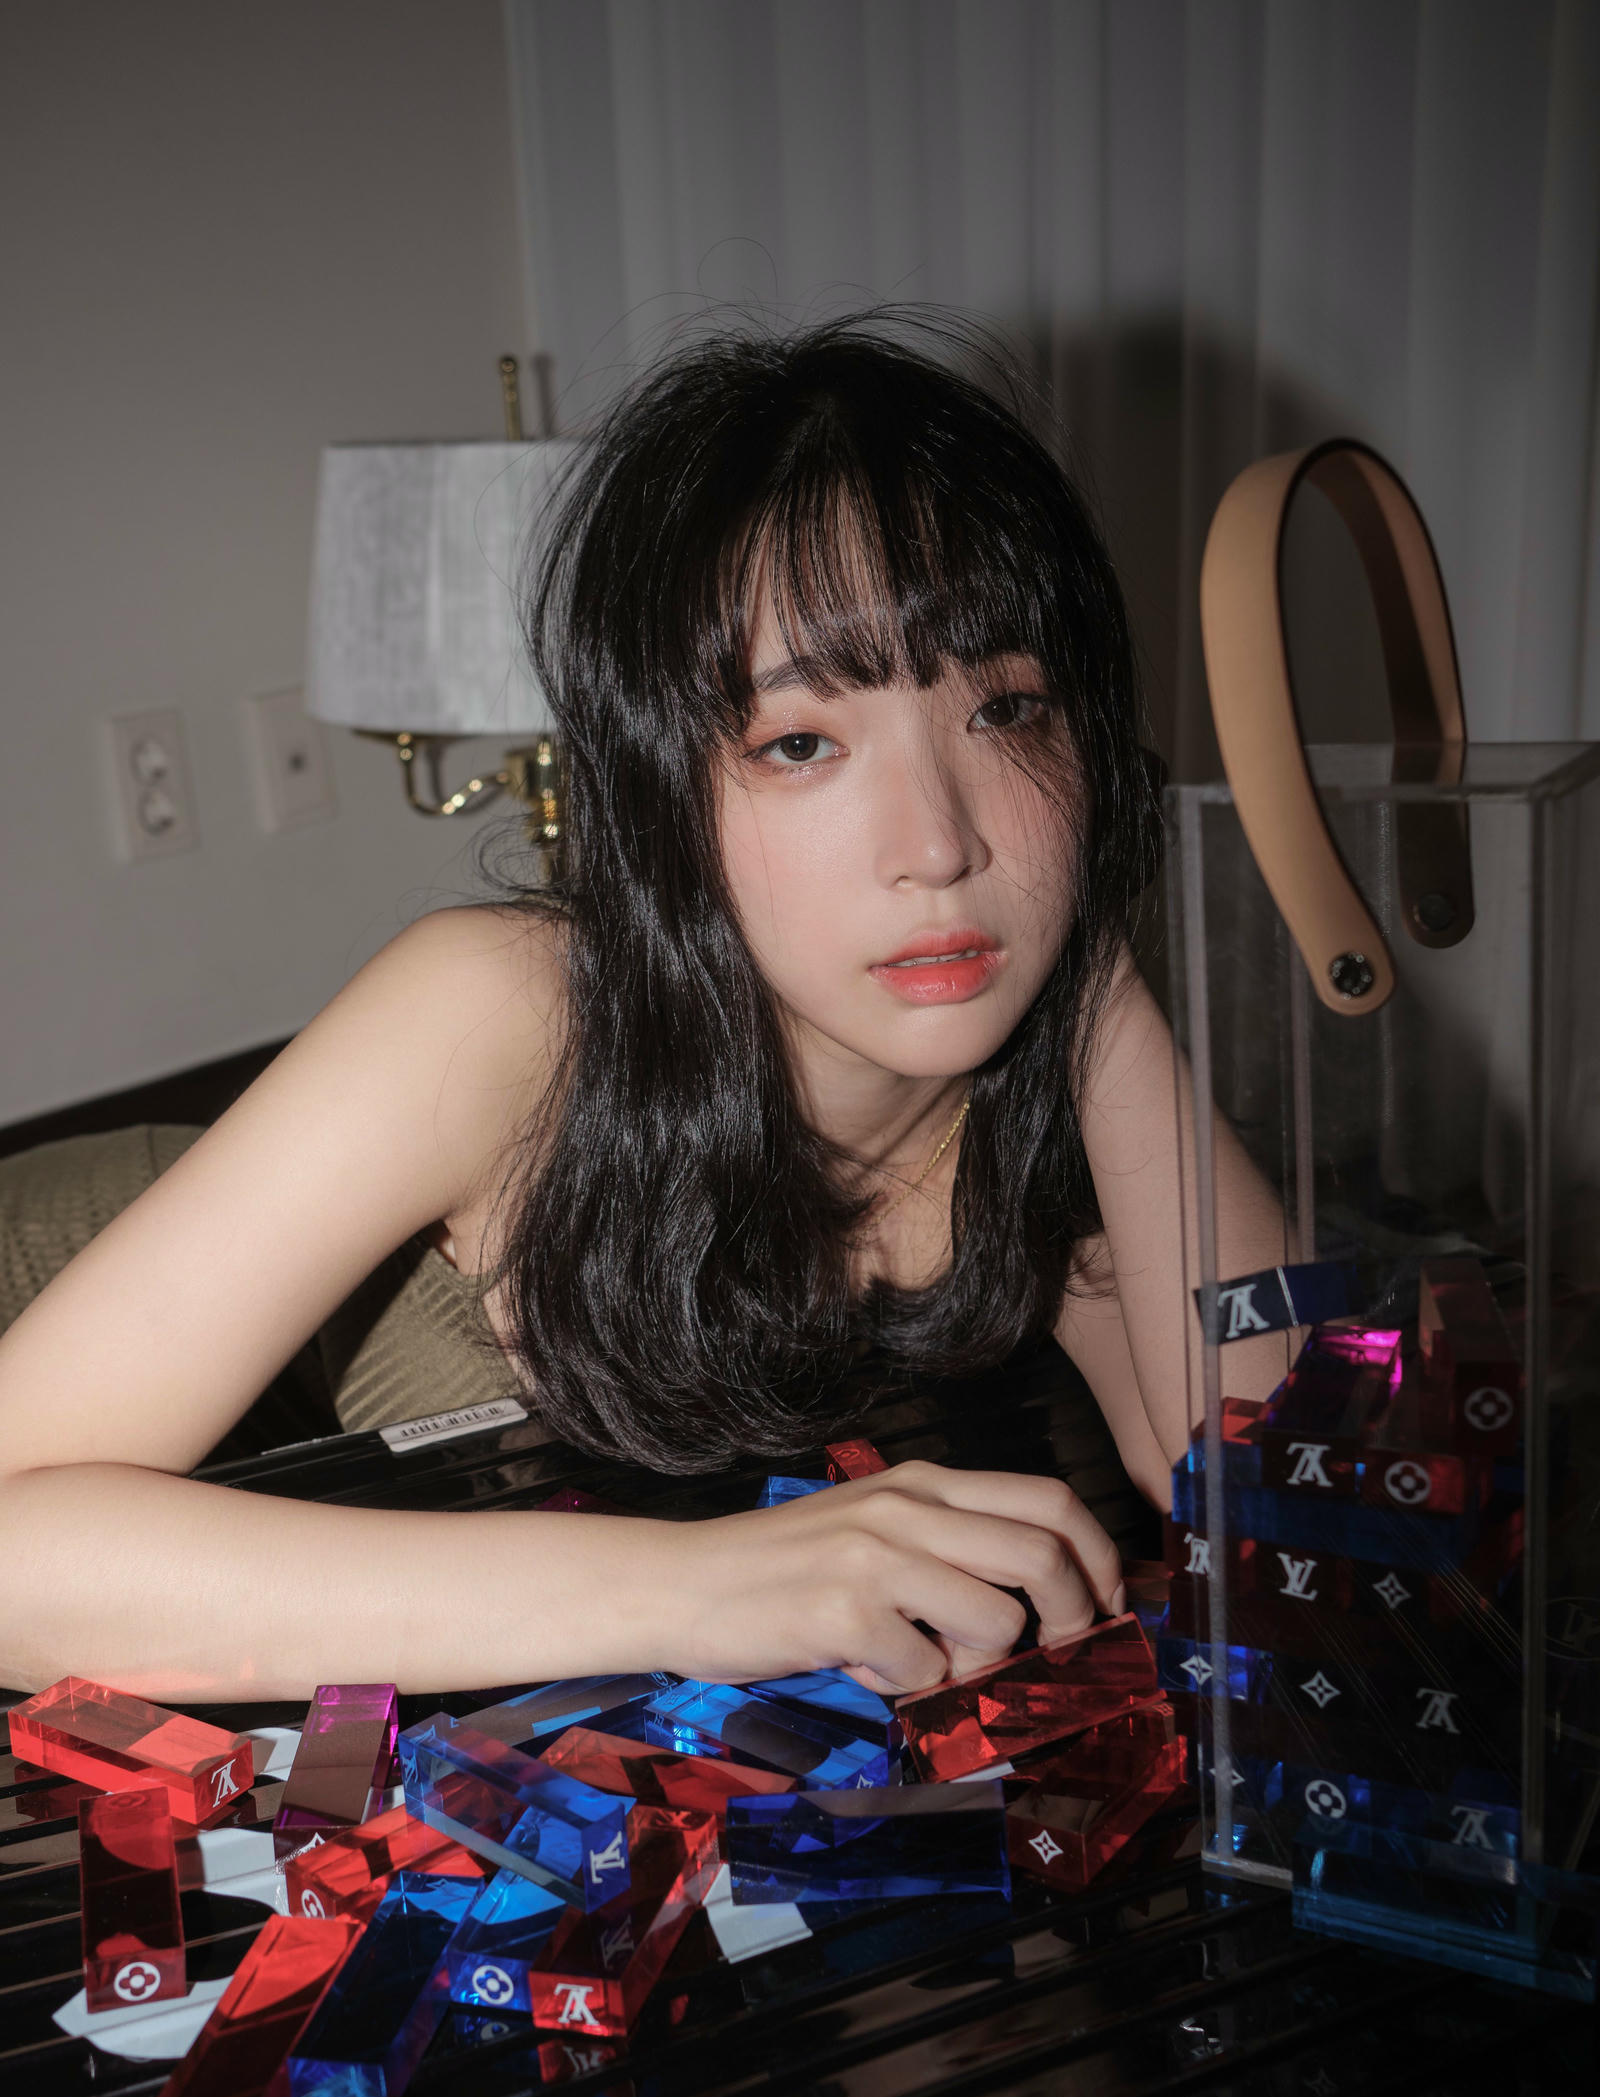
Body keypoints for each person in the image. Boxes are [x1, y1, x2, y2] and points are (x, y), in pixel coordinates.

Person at [0, 319, 1283, 1702]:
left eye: (1009, 711)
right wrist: (700, 1587)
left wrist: (1085, 951)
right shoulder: (500, 1016)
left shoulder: (1033, 1068)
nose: (940, 846)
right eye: (802, 742)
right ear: (659, 791)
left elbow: (1277, 1491)